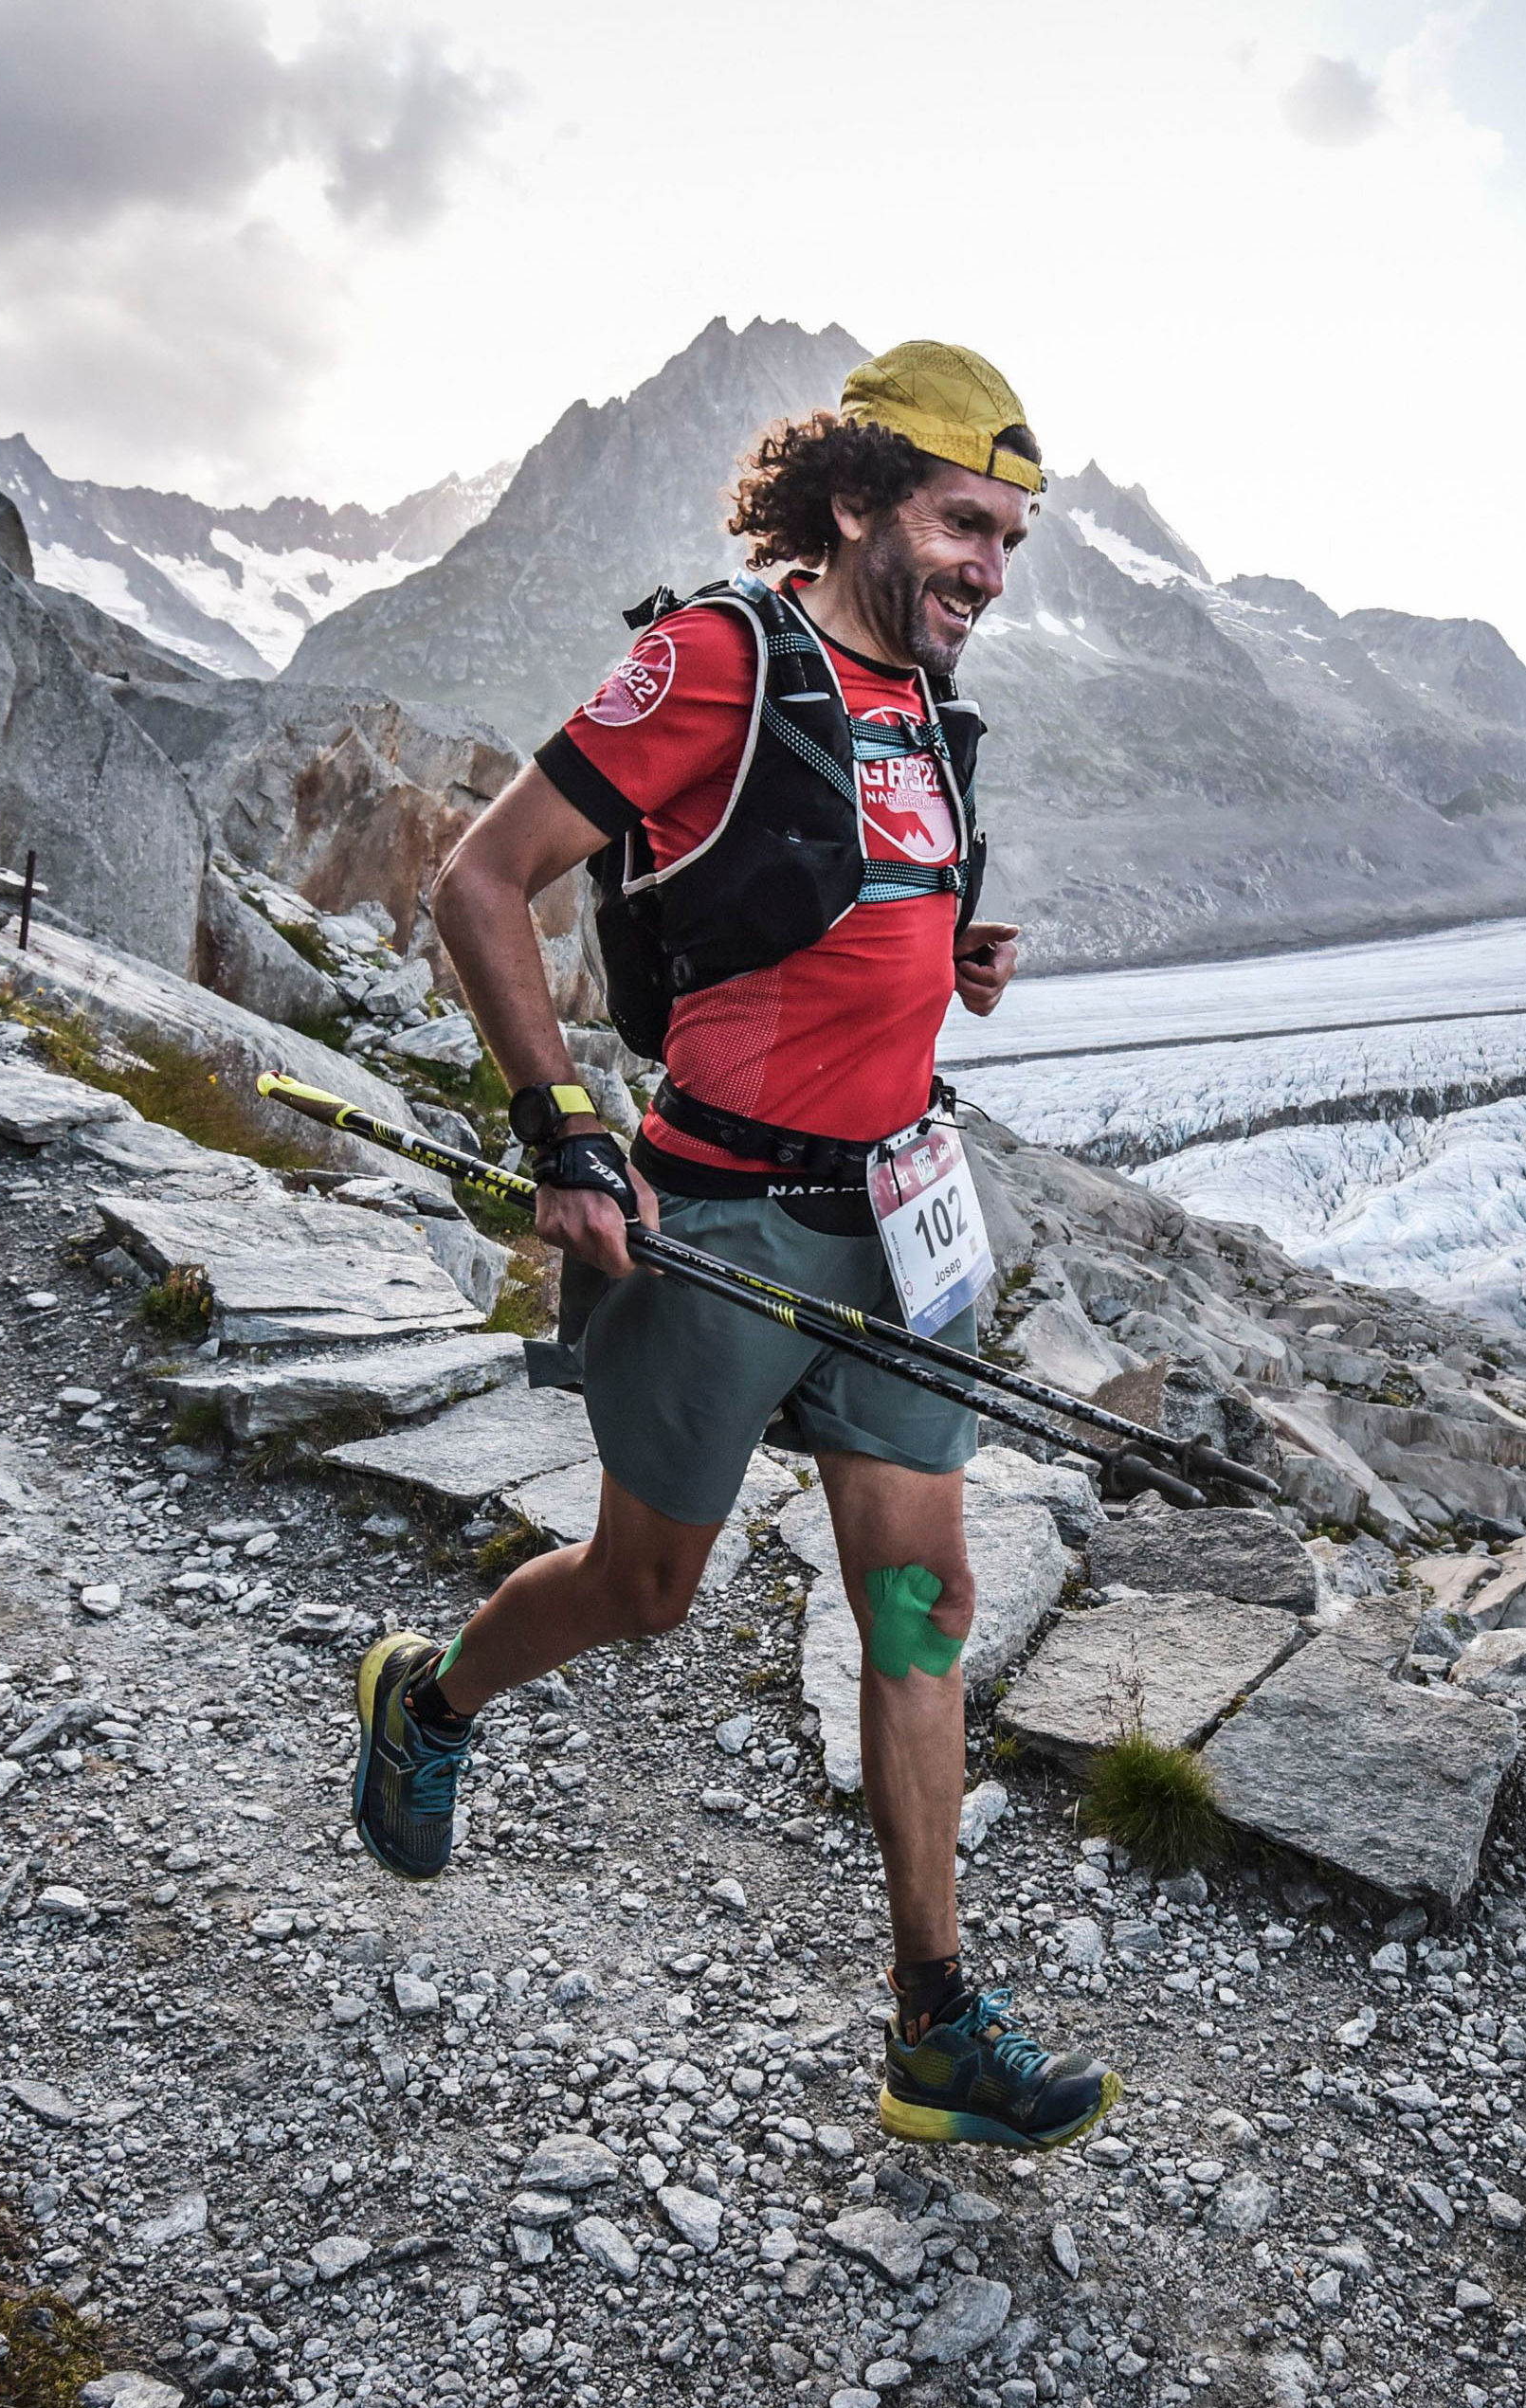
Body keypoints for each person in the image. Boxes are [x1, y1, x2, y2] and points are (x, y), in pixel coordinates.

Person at [343, 340, 1120, 2154]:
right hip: (715, 1219)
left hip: (892, 1236)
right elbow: (481, 878)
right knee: (647, 1590)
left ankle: (932, 2022)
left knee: (921, 1605)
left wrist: (948, 964)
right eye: (960, 525)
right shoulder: (713, 658)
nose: (987, 572)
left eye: (1009, 540)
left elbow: (822, 900)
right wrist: (562, 1133)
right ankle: (430, 1695)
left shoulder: (927, 700)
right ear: (854, 500)